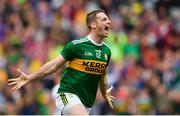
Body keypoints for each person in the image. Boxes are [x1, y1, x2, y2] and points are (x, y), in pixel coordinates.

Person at [8, 9, 115, 115]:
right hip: (68, 95)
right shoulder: (77, 45)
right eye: (104, 19)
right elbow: (53, 66)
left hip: (87, 103)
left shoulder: (107, 51)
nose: (109, 22)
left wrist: (104, 93)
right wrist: (30, 77)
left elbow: (102, 74)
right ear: (93, 24)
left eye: (108, 19)